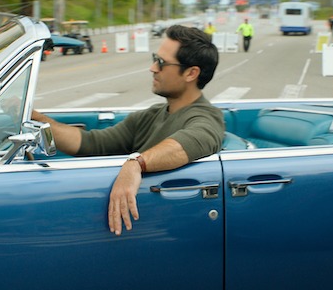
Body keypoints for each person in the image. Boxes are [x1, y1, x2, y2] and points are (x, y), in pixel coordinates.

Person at [31, 25, 225, 236]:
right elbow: (92, 143)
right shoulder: (152, 114)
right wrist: (36, 118)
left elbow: (185, 145)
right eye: (154, 58)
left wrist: (136, 164)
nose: (153, 68)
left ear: (191, 73)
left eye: (161, 63)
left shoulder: (207, 118)